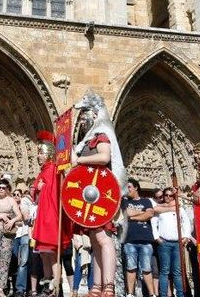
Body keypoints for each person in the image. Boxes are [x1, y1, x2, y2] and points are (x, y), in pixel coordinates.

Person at [70, 91, 127, 297]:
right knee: (95, 241)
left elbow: (104, 157)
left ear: (94, 115)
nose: (83, 123)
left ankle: (109, 286)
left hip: (103, 196)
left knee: (104, 239)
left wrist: (81, 160)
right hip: (90, 197)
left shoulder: (102, 135)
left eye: (85, 118)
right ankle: (96, 286)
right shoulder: (87, 141)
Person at [30, 131, 65, 297]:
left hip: (51, 215)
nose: (38, 155)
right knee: (43, 252)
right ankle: (47, 282)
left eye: (41, 152)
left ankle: (55, 286)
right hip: (42, 215)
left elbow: (55, 193)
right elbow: (35, 193)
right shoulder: (43, 171)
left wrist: (41, 188)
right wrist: (37, 189)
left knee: (52, 252)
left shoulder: (53, 169)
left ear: (49, 154)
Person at [120, 178, 156, 297]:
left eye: (129, 187)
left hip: (145, 239)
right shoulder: (124, 200)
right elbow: (127, 213)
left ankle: (152, 294)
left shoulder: (147, 201)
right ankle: (130, 293)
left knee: (147, 269)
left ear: (136, 187)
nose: (127, 190)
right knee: (131, 268)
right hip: (129, 239)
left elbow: (150, 214)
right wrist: (142, 213)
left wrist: (133, 218)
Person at [153, 187, 191, 297]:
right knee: (164, 271)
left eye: (171, 195)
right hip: (164, 243)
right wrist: (157, 238)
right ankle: (163, 294)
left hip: (177, 243)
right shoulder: (159, 208)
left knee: (177, 272)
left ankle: (180, 294)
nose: (168, 197)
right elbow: (154, 222)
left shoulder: (180, 208)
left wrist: (186, 236)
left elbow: (186, 222)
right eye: (166, 195)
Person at [0, 179, 22, 297]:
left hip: (7, 232)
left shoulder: (11, 200)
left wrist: (12, 220)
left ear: (7, 189)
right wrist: (2, 215)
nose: (1, 189)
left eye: (3, 188)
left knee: (5, 260)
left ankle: (2, 288)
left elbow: (19, 215)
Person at [12, 186, 34, 297]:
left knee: (35, 262)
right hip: (25, 234)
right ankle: (20, 288)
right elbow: (26, 218)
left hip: (36, 234)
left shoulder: (39, 201)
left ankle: (32, 288)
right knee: (23, 261)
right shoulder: (26, 201)